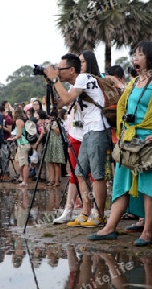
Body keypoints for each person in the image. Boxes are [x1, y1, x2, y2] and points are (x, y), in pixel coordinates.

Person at [87, 41, 152, 246]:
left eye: (140, 54)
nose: (134, 58)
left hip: (148, 143)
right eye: (134, 54)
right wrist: (121, 132)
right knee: (121, 185)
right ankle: (110, 228)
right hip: (129, 142)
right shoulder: (133, 82)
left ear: (151, 57)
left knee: (150, 187)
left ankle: (147, 232)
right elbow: (122, 107)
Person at [45, 53, 110, 228]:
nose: (57, 72)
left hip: (97, 128)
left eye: (60, 69)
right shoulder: (76, 84)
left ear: (72, 70)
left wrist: (54, 80)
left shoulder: (83, 77)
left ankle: (99, 215)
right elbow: (61, 103)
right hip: (86, 131)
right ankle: (85, 212)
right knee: (80, 173)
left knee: (97, 175)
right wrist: (50, 86)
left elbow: (66, 99)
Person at [8, 106, 31, 187]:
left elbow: (19, 135)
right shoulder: (25, 119)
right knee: (18, 161)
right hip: (24, 144)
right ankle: (21, 177)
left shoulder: (18, 121)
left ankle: (25, 181)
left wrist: (12, 138)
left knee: (24, 163)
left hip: (23, 144)